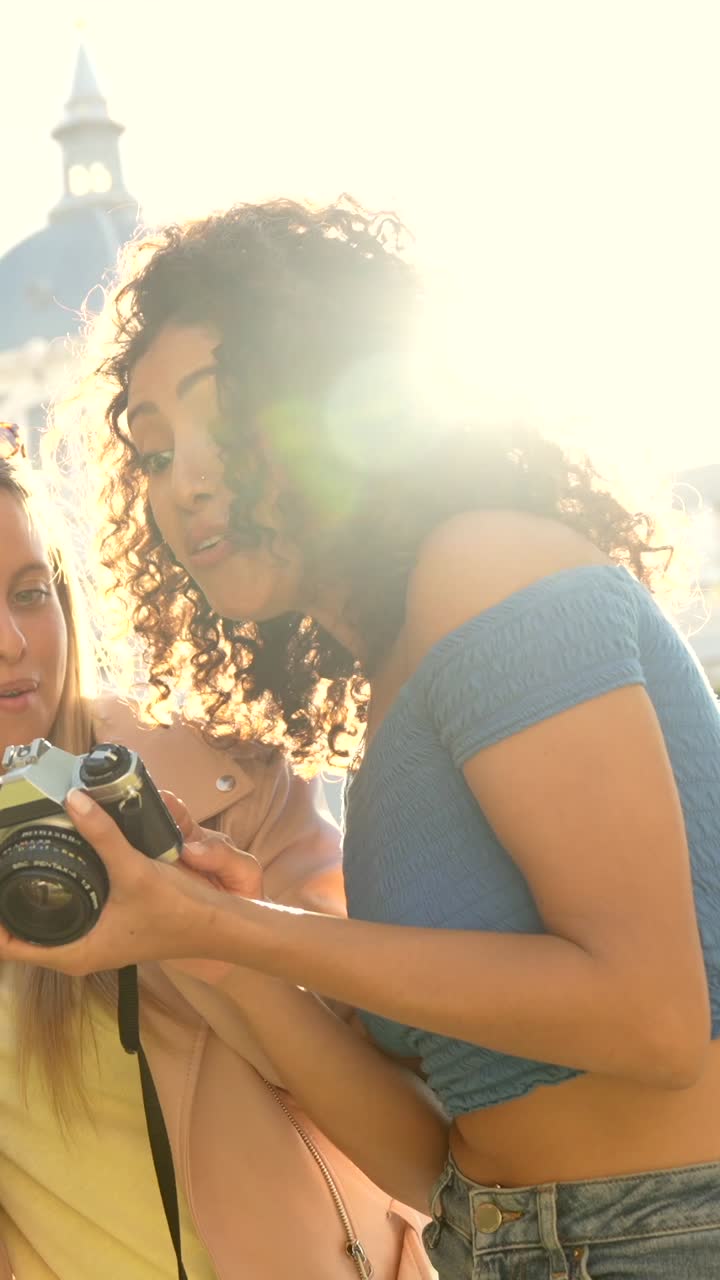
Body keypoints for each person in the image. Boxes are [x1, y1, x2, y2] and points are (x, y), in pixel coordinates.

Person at [6, 198, 720, 1278]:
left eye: (223, 418)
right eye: (149, 454)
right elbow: (426, 1152)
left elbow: (655, 1018)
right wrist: (209, 944)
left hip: (664, 1232)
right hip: (501, 1239)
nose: (184, 479)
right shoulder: (395, 679)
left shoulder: (486, 568)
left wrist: (247, 931)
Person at [0, 430, 437, 1280]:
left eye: (28, 593)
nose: (13, 644)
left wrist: (213, 933)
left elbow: (414, 1139)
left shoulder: (224, 781)